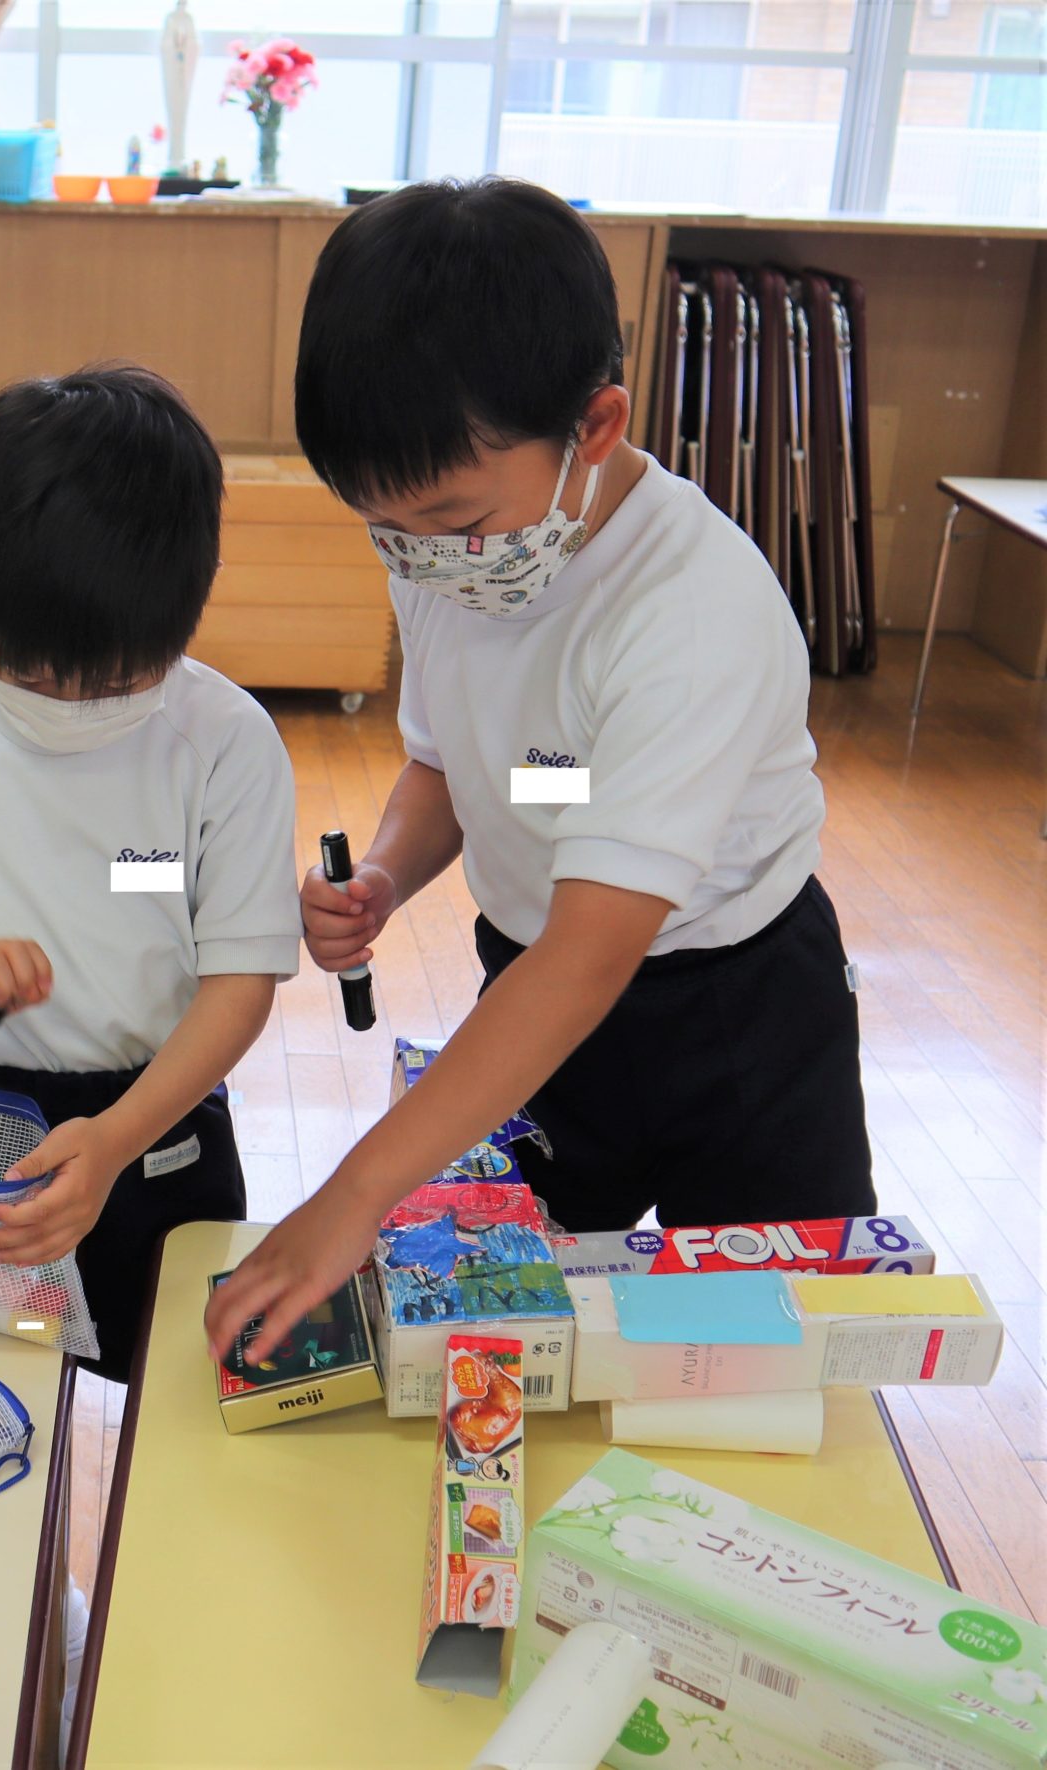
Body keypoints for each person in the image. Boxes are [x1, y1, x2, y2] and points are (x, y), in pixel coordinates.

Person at [207, 179, 871, 1363]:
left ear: (595, 426)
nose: (421, 559)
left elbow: (590, 954)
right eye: (384, 528)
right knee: (522, 1325)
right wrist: (388, 875)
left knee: (771, 1350)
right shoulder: (455, 544)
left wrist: (352, 1195)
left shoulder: (688, 612)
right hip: (531, 980)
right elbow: (453, 761)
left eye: (448, 521)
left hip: (731, 1010)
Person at [0, 364, 300, 1383]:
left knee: (167, 1390)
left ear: (187, 601)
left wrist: (117, 1141)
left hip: (159, 1114)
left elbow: (241, 983)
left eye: (116, 679)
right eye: (33, 675)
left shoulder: (226, 742)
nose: (71, 705)